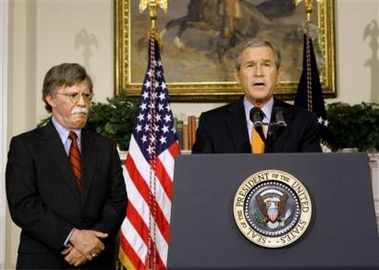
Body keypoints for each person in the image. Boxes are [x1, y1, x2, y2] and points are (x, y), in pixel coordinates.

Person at [6, 63, 127, 269]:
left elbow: (117, 200)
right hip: (44, 260)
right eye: (73, 96)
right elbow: (23, 205)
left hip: (95, 259)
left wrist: (90, 244)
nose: (82, 103)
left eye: (86, 96)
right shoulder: (25, 146)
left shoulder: (105, 147)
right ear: (50, 99)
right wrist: (73, 236)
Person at [192, 38, 322, 153]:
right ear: (237, 77)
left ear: (278, 75)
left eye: (266, 65)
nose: (258, 73)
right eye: (250, 65)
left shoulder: (304, 121)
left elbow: (312, 173)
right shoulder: (211, 123)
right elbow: (201, 175)